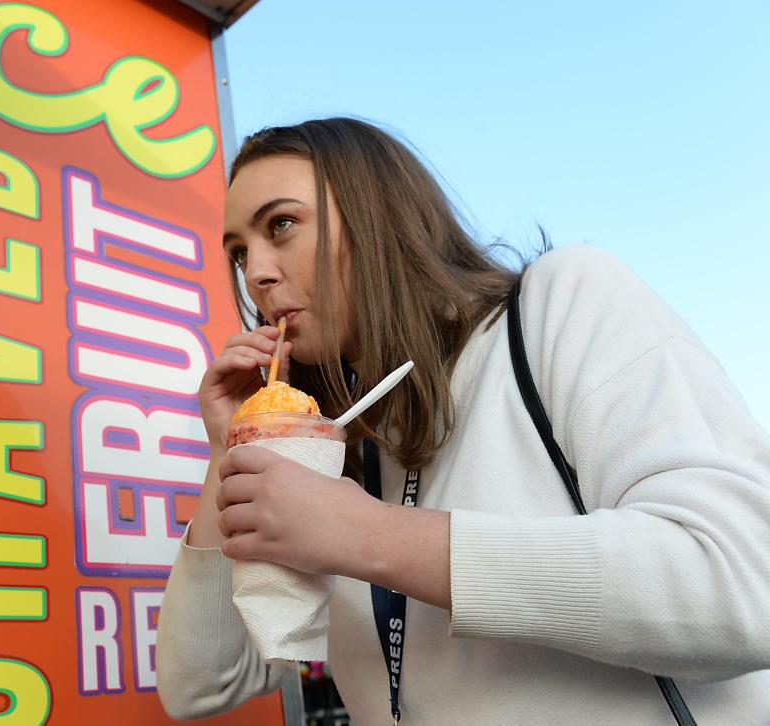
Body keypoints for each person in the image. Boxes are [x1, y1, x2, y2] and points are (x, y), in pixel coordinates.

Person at [155, 118, 770, 724]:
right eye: (239, 252)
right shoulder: (333, 449)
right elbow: (202, 684)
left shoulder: (556, 303)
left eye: (281, 225)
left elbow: (744, 584)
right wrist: (228, 448)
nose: (256, 273)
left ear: (378, 215)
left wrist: (371, 536)